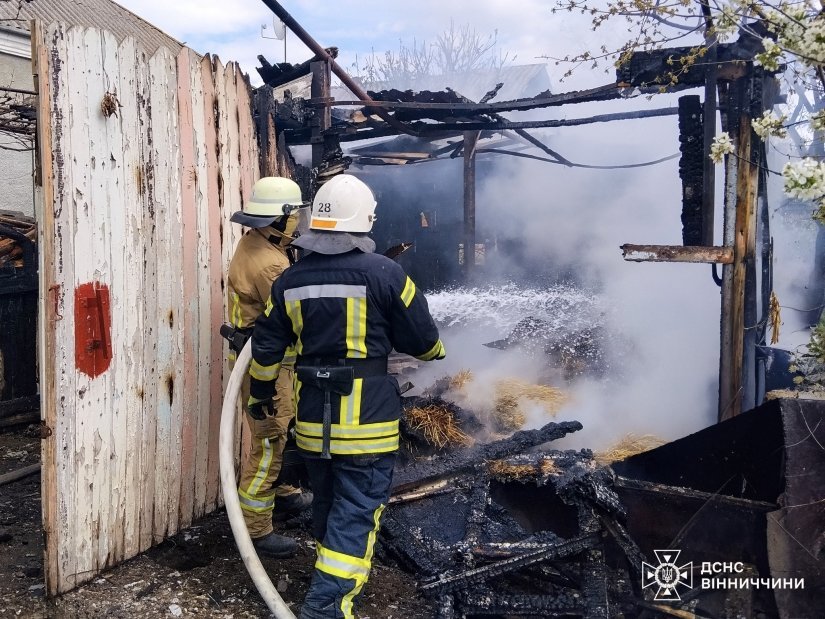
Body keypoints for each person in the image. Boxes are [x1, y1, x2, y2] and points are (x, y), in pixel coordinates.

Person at [247, 174, 445, 618]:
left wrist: (260, 394)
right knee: (356, 513)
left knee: (330, 503)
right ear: (364, 221)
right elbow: (425, 343)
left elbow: (266, 349)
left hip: (315, 425)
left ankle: (328, 574)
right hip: (368, 426)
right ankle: (326, 608)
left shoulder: (289, 281)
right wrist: (432, 348)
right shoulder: (387, 273)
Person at [226, 176, 312, 559]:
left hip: (273, 364)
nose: (300, 222)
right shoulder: (271, 266)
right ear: (281, 218)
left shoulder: (256, 242)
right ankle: (256, 529)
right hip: (267, 367)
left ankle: (285, 493)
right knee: (269, 439)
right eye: (296, 216)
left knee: (283, 427)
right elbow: (295, 319)